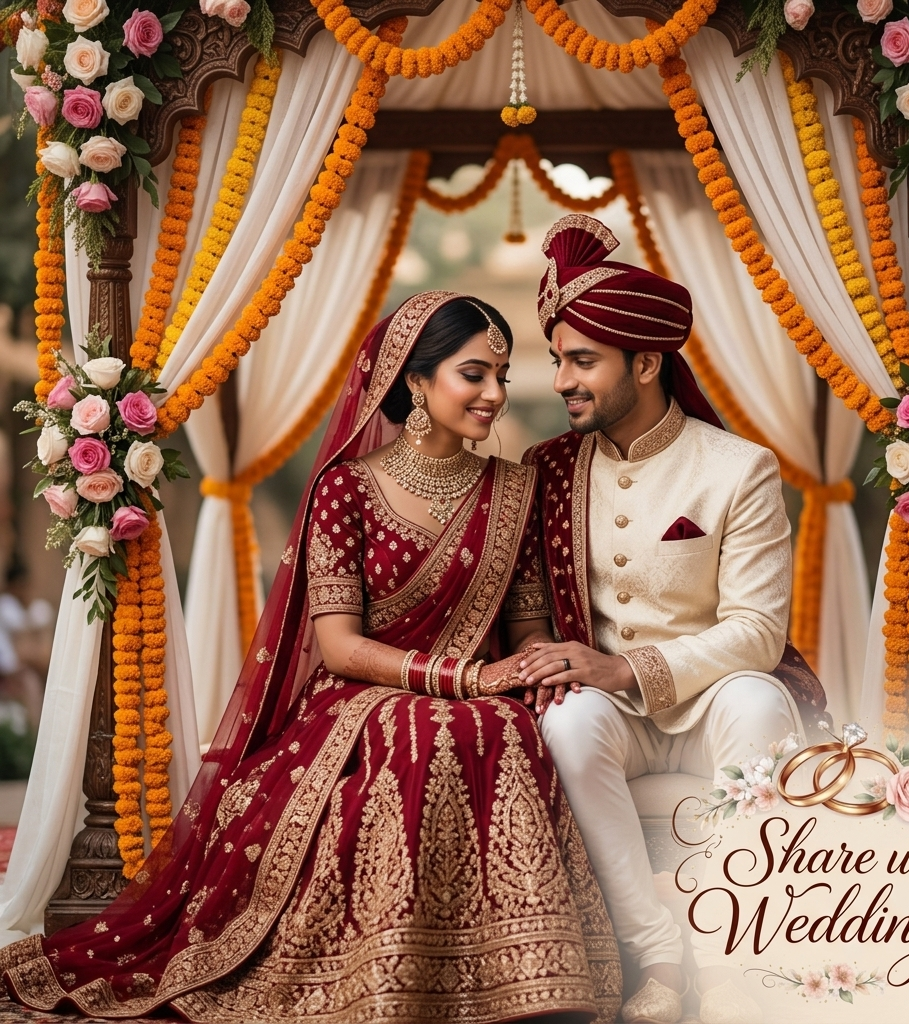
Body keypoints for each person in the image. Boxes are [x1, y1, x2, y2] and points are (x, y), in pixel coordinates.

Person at [0, 292, 621, 1023]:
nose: (494, 394)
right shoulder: (345, 488)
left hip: (479, 695)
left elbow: (527, 625)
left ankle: (523, 974)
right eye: (474, 374)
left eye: (502, 377)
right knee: (426, 731)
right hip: (360, 696)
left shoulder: (515, 490)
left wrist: (538, 666)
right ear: (416, 381)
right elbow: (340, 645)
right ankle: (386, 974)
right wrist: (466, 677)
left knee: (502, 727)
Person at [517, 216, 828, 1024]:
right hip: (611, 712)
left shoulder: (738, 468)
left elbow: (757, 630)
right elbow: (525, 606)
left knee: (758, 702)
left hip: (712, 697)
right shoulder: (546, 470)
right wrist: (547, 657)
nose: (562, 380)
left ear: (646, 362)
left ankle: (732, 960)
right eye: (558, 359)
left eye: (583, 361)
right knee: (567, 720)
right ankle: (656, 955)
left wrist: (628, 668)